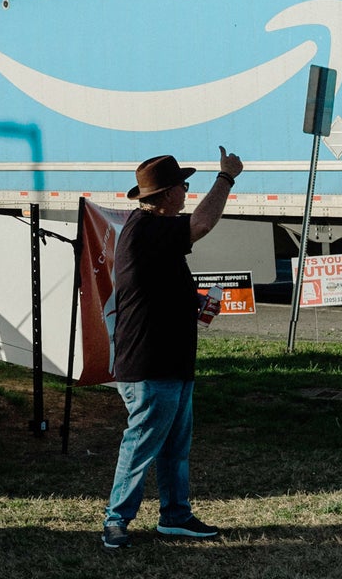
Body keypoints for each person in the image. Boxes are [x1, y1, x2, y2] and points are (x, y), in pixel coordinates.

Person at [101, 145, 243, 550]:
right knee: (141, 445)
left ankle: (175, 517)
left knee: (174, 449)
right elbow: (201, 224)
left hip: (173, 362)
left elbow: (159, 286)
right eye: (183, 185)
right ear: (165, 195)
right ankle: (116, 521)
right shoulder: (147, 229)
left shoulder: (154, 233)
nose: (186, 192)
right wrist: (226, 177)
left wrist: (196, 302)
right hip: (150, 364)